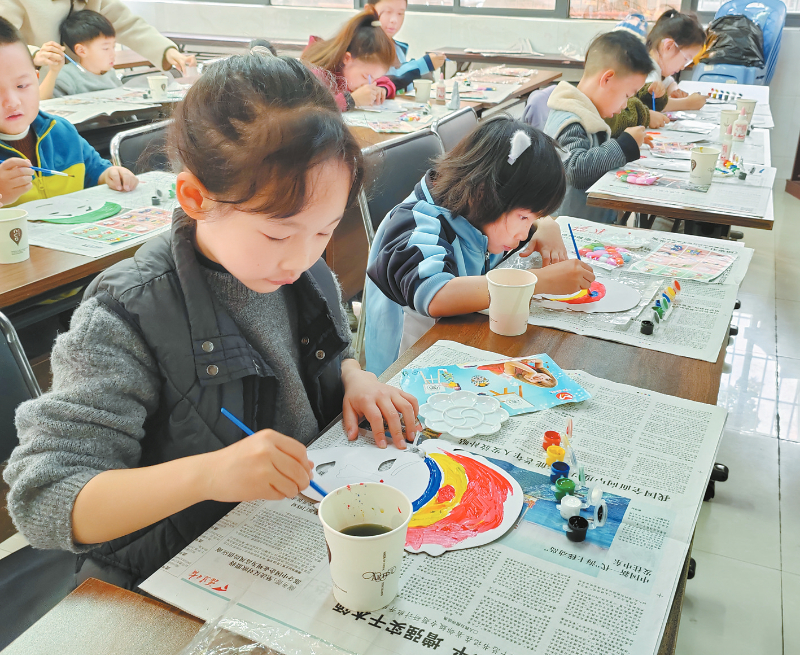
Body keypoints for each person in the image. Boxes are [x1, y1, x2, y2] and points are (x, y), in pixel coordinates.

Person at [4, 52, 420, 590]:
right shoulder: (126, 314)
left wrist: (354, 377)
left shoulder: (304, 272)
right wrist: (209, 474)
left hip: (288, 534)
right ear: (196, 198)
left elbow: (326, 351)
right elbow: (42, 500)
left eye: (325, 230)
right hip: (172, 573)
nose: (301, 258)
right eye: (277, 233)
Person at [364, 118, 595, 376]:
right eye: (523, 218)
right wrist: (537, 281)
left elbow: (521, 215)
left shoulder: (483, 215)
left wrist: (546, 224)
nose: (524, 232)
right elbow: (437, 295)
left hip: (457, 351)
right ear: (484, 195)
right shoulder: (416, 224)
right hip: (405, 373)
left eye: (531, 219)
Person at [0, 18, 137, 207]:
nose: (12, 102)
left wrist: (110, 175)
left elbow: (95, 170)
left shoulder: (61, 131)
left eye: (22, 86)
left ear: (36, 79)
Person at [544, 30, 653, 224]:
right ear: (607, 79)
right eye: (627, 95)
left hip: (586, 225)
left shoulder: (586, 114)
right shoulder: (570, 119)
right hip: (566, 230)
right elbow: (576, 169)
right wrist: (625, 145)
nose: (625, 105)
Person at [0, 0, 195, 75]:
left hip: (82, 86)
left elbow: (127, 23)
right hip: (39, 87)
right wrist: (34, 55)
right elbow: (3, 37)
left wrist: (167, 51)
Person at [607, 10, 707, 136]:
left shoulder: (658, 68)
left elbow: (669, 82)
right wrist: (688, 103)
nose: (683, 66)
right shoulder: (646, 70)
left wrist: (673, 90)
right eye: (686, 59)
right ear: (668, 46)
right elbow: (648, 103)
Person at [302, 7, 396, 111]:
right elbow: (310, 109)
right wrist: (351, 100)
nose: (369, 84)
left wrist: (381, 90)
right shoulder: (318, 75)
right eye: (365, 77)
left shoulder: (356, 72)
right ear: (347, 58)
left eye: (374, 79)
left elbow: (386, 82)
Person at [367, 0, 445, 92]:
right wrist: (423, 64)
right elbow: (385, 82)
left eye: (400, 13)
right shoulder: (364, 48)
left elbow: (404, 86)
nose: (394, 20)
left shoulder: (398, 49)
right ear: (369, 10)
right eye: (388, 12)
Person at [52, 10, 122, 98]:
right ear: (81, 51)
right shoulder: (66, 77)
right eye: (106, 48)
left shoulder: (111, 74)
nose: (113, 54)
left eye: (113, 47)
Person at [477, 359, 557, 388]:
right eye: (547, 379)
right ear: (548, 375)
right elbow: (540, 361)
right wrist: (531, 360)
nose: (541, 378)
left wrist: (532, 372)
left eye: (540, 382)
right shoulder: (537, 369)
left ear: (532, 382)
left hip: (489, 363)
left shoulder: (513, 373)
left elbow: (510, 362)